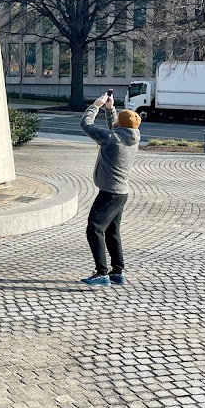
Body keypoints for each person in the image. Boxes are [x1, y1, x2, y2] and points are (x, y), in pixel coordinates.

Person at [79, 92, 141, 286]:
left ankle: (102, 273)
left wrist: (96, 105)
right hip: (121, 192)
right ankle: (117, 272)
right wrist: (110, 108)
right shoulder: (133, 137)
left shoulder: (112, 138)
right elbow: (115, 127)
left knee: (94, 228)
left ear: (119, 126)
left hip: (109, 192)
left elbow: (86, 125)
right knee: (112, 231)